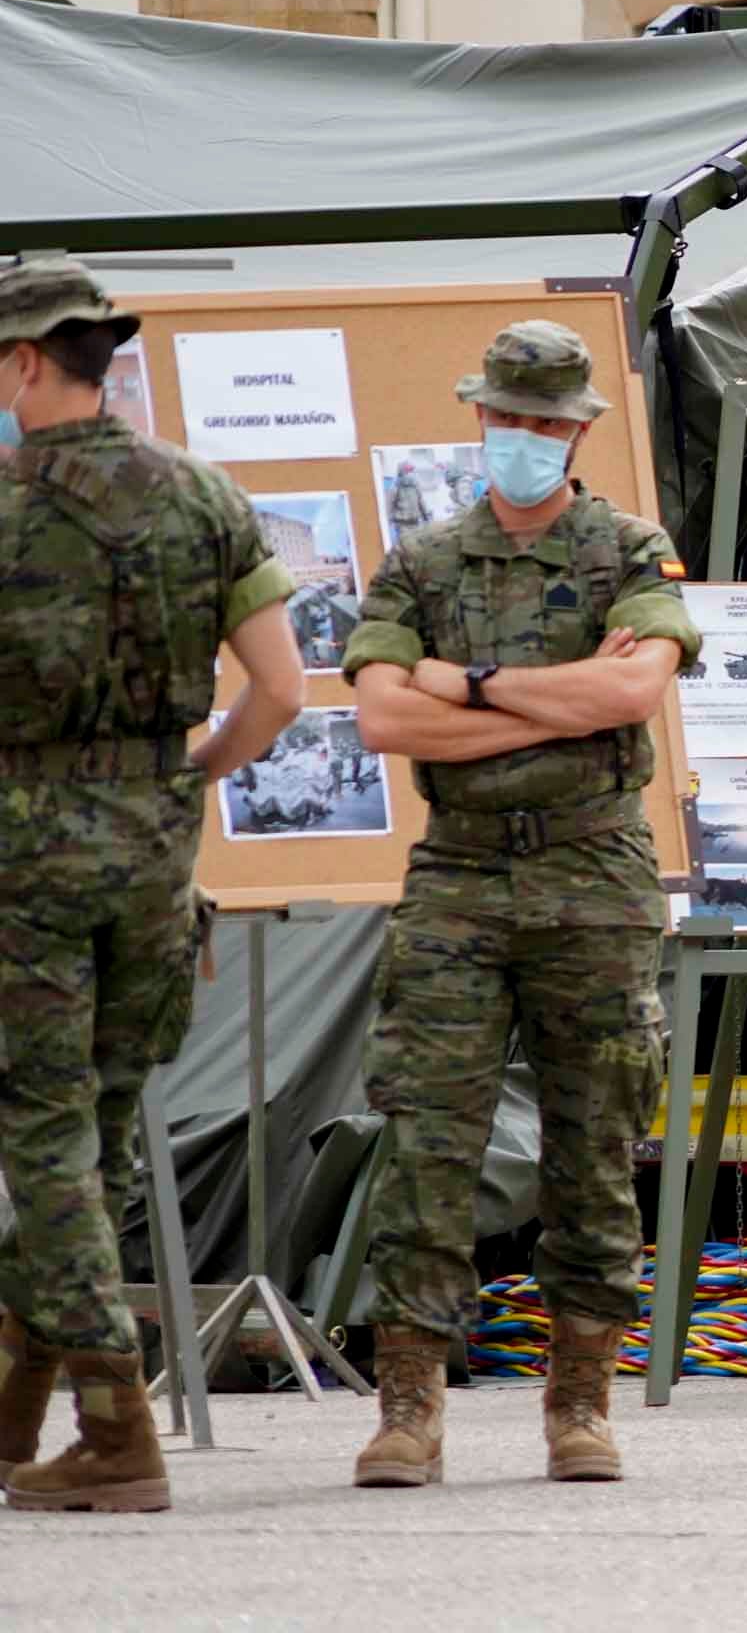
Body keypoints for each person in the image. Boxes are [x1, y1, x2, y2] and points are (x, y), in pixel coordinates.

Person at [339, 322, 698, 1487]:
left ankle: (581, 1400)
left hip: (595, 872)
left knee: (593, 1141)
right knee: (425, 1142)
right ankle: (408, 1406)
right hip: (459, 872)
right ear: (478, 417)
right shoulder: (425, 562)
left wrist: (474, 682)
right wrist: (562, 701)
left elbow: (636, 684)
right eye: (508, 418)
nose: (525, 440)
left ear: (581, 427)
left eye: (546, 422)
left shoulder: (630, 550)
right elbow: (388, 719)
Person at [0, 253, 302, 1514]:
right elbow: (280, 690)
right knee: (107, 1126)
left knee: (45, 1132)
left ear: (22, 363)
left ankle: (116, 1425)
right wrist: (191, 765)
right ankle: (17, 1397)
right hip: (156, 852)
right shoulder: (205, 498)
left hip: (25, 851)